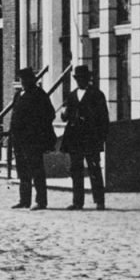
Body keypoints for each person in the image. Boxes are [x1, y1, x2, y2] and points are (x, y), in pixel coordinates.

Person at [60, 64, 109, 210]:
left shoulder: (97, 94)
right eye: (78, 78)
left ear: (88, 79)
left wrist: (101, 138)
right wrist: (64, 113)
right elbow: (66, 116)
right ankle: (77, 202)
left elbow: (103, 118)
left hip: (91, 138)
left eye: (83, 78)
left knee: (94, 169)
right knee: (76, 170)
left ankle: (99, 201)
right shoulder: (71, 95)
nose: (80, 81)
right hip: (74, 138)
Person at [9, 67, 56, 210]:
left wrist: (35, 129)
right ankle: (24, 200)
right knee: (22, 170)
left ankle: (41, 201)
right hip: (18, 139)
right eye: (21, 79)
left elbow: (50, 114)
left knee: (36, 170)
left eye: (25, 79)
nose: (23, 82)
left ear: (31, 80)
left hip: (32, 139)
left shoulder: (39, 94)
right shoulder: (18, 95)